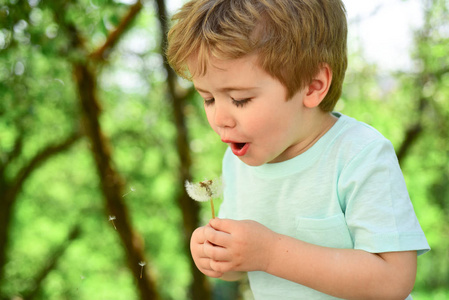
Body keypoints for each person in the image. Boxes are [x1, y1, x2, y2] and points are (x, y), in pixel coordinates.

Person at [166, 0, 430, 299]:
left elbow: (393, 280)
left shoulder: (360, 154)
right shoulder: (238, 161)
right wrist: (218, 255)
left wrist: (272, 253)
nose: (220, 119)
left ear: (312, 86)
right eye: (208, 99)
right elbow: (243, 260)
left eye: (239, 99)